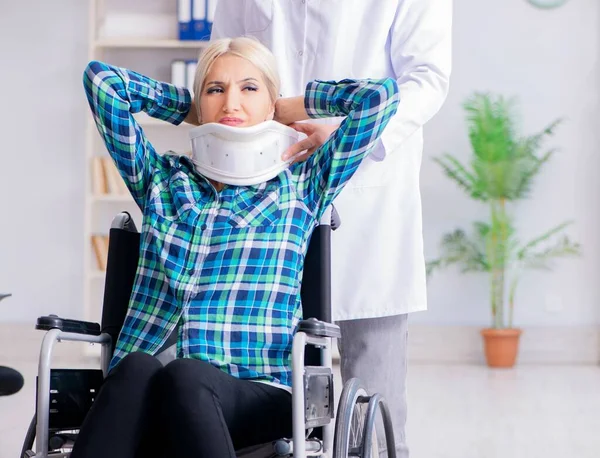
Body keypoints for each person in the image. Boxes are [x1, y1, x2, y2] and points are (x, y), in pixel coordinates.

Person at [71, 37, 398, 458]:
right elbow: (102, 82)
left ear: (270, 101)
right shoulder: (161, 180)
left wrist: (288, 107)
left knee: (188, 376)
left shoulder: (301, 186)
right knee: (135, 365)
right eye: (215, 89)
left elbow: (380, 98)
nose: (231, 102)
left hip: (256, 389)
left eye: (249, 88)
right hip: (149, 383)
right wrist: (193, 107)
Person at [211, 2, 452, 456]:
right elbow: (226, 58)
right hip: (267, 195)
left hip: (369, 199)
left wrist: (351, 134)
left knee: (372, 406)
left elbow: (427, 77)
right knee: (261, 396)